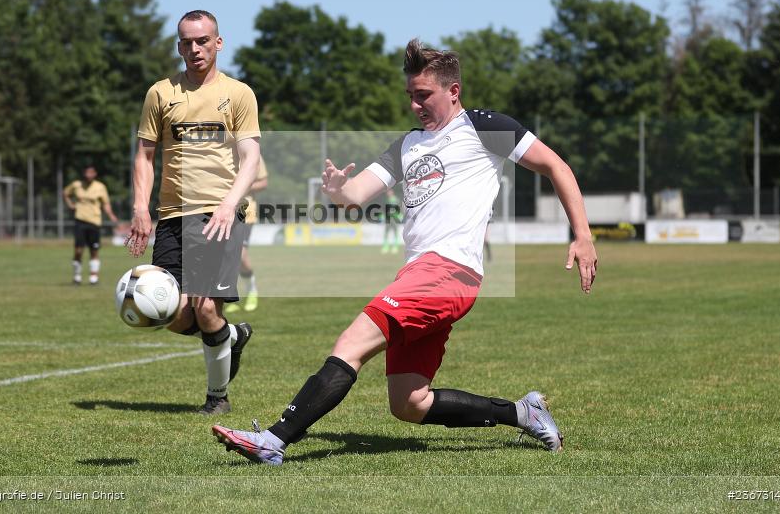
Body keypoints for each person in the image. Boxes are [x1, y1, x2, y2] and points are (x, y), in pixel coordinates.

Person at [212, 39, 598, 464]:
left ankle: (274, 439)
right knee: (409, 402)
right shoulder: (407, 145)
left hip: (449, 271)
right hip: (419, 273)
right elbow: (357, 194)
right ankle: (524, 412)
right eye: (410, 95)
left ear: (453, 91)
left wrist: (582, 234)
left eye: (424, 95)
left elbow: (555, 166)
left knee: (352, 342)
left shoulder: (484, 126)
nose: (415, 104)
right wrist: (340, 190)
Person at [125, 9, 260, 415]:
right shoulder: (160, 93)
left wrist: (229, 205)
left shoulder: (238, 94)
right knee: (172, 312)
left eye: (202, 40)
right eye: (186, 42)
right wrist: (140, 208)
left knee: (204, 306)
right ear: (178, 45)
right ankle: (231, 337)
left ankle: (217, 399)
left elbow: (251, 156)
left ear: (218, 42)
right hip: (171, 217)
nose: (194, 48)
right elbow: (145, 156)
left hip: (220, 215)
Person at [225, 155, 268, 314]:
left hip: (246, 211)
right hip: (222, 211)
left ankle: (252, 290)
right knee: (226, 257)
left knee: (240, 256)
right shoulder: (221, 151)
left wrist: (241, 187)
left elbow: (264, 182)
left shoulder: (253, 153)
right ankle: (230, 297)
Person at [64, 165, 119, 285]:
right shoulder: (76, 185)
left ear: (95, 174)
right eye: (87, 172)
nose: (89, 175)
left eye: (91, 173)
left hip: (94, 222)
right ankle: (77, 276)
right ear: (84, 173)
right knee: (78, 250)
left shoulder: (100, 187)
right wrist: (70, 204)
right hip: (80, 220)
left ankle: (93, 278)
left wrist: (111, 215)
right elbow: (65, 193)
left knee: (94, 250)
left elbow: (106, 204)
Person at [380, 188, 402, 254]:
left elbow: (399, 207)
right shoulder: (386, 200)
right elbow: (384, 208)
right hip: (388, 218)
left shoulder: (396, 199)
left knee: (395, 232)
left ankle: (395, 246)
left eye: (389, 191)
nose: (388, 193)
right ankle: (385, 246)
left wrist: (400, 215)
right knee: (386, 232)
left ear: (392, 192)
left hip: (394, 218)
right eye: (387, 192)